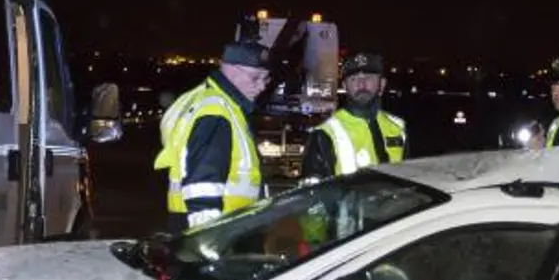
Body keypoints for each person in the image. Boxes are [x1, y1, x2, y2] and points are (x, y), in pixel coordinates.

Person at [154, 36, 272, 230]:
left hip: (224, 223)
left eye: (265, 78)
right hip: (218, 226)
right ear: (231, 69)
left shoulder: (218, 103)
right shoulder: (217, 111)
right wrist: (207, 234)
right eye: (255, 78)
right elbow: (203, 177)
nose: (261, 86)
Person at [301, 52, 408, 178]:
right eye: (354, 79)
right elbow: (315, 192)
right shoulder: (324, 134)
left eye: (368, 77)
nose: (361, 84)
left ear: (382, 84)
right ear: (345, 86)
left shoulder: (399, 128)